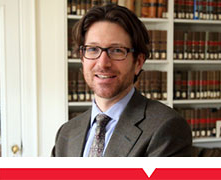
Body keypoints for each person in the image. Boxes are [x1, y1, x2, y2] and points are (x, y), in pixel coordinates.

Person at [51, 4, 192, 157]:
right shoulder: (66, 133)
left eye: (117, 50)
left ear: (138, 62)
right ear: (82, 58)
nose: (103, 63)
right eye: (92, 49)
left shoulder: (166, 127)